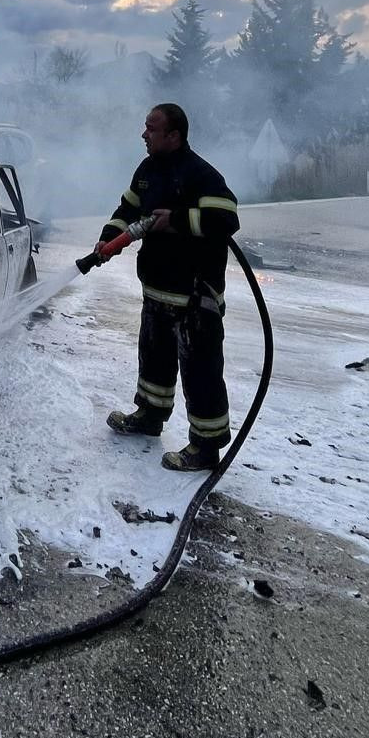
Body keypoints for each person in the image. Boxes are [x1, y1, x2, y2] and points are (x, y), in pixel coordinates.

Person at [96, 103, 240, 472]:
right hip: (157, 288)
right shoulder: (147, 171)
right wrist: (107, 239)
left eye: (151, 128)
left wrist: (176, 220)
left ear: (174, 135)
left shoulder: (200, 175)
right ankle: (149, 415)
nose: (144, 135)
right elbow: (126, 210)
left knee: (200, 371)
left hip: (194, 295)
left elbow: (225, 218)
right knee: (154, 356)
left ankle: (205, 447)